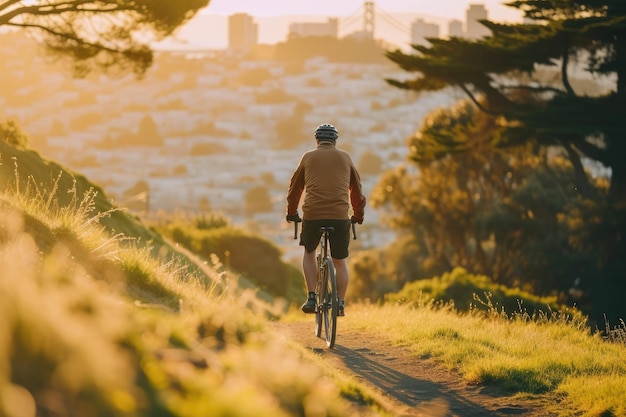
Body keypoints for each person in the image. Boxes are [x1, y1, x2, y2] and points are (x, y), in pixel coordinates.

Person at [285, 123, 366, 316]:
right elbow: (357, 191)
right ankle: (340, 302)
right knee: (340, 262)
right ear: (335, 141)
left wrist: (292, 213)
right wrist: (357, 216)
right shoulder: (346, 157)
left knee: (309, 252)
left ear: (317, 140)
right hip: (339, 217)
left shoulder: (308, 156)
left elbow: (295, 189)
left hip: (312, 215)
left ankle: (312, 296)